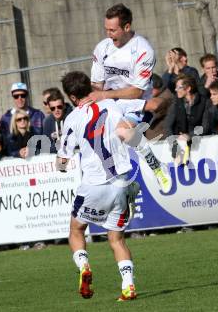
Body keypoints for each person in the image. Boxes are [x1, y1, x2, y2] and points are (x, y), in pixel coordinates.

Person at [57, 71, 163, 301]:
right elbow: (137, 127)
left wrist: (62, 158)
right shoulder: (112, 105)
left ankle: (84, 266)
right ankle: (128, 286)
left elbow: (63, 163)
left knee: (76, 230)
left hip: (94, 183)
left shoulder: (72, 119)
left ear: (73, 97)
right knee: (116, 239)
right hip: (120, 183)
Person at [85, 3, 171, 192]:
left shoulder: (143, 50)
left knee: (122, 132)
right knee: (102, 143)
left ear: (126, 27)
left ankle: (157, 166)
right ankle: (126, 188)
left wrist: (104, 94)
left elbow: (137, 92)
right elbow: (97, 84)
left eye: (113, 30)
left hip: (134, 102)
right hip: (110, 101)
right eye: (106, 29)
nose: (109, 34)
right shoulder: (102, 48)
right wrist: (90, 97)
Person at [144, 74, 174, 141]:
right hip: (153, 137)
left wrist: (136, 105)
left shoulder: (166, 95)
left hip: (161, 138)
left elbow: (155, 106)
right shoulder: (159, 94)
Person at [43, 88, 73, 153]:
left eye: (59, 107)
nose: (56, 110)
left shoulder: (73, 118)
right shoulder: (47, 122)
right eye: (53, 108)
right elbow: (46, 147)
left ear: (64, 106)